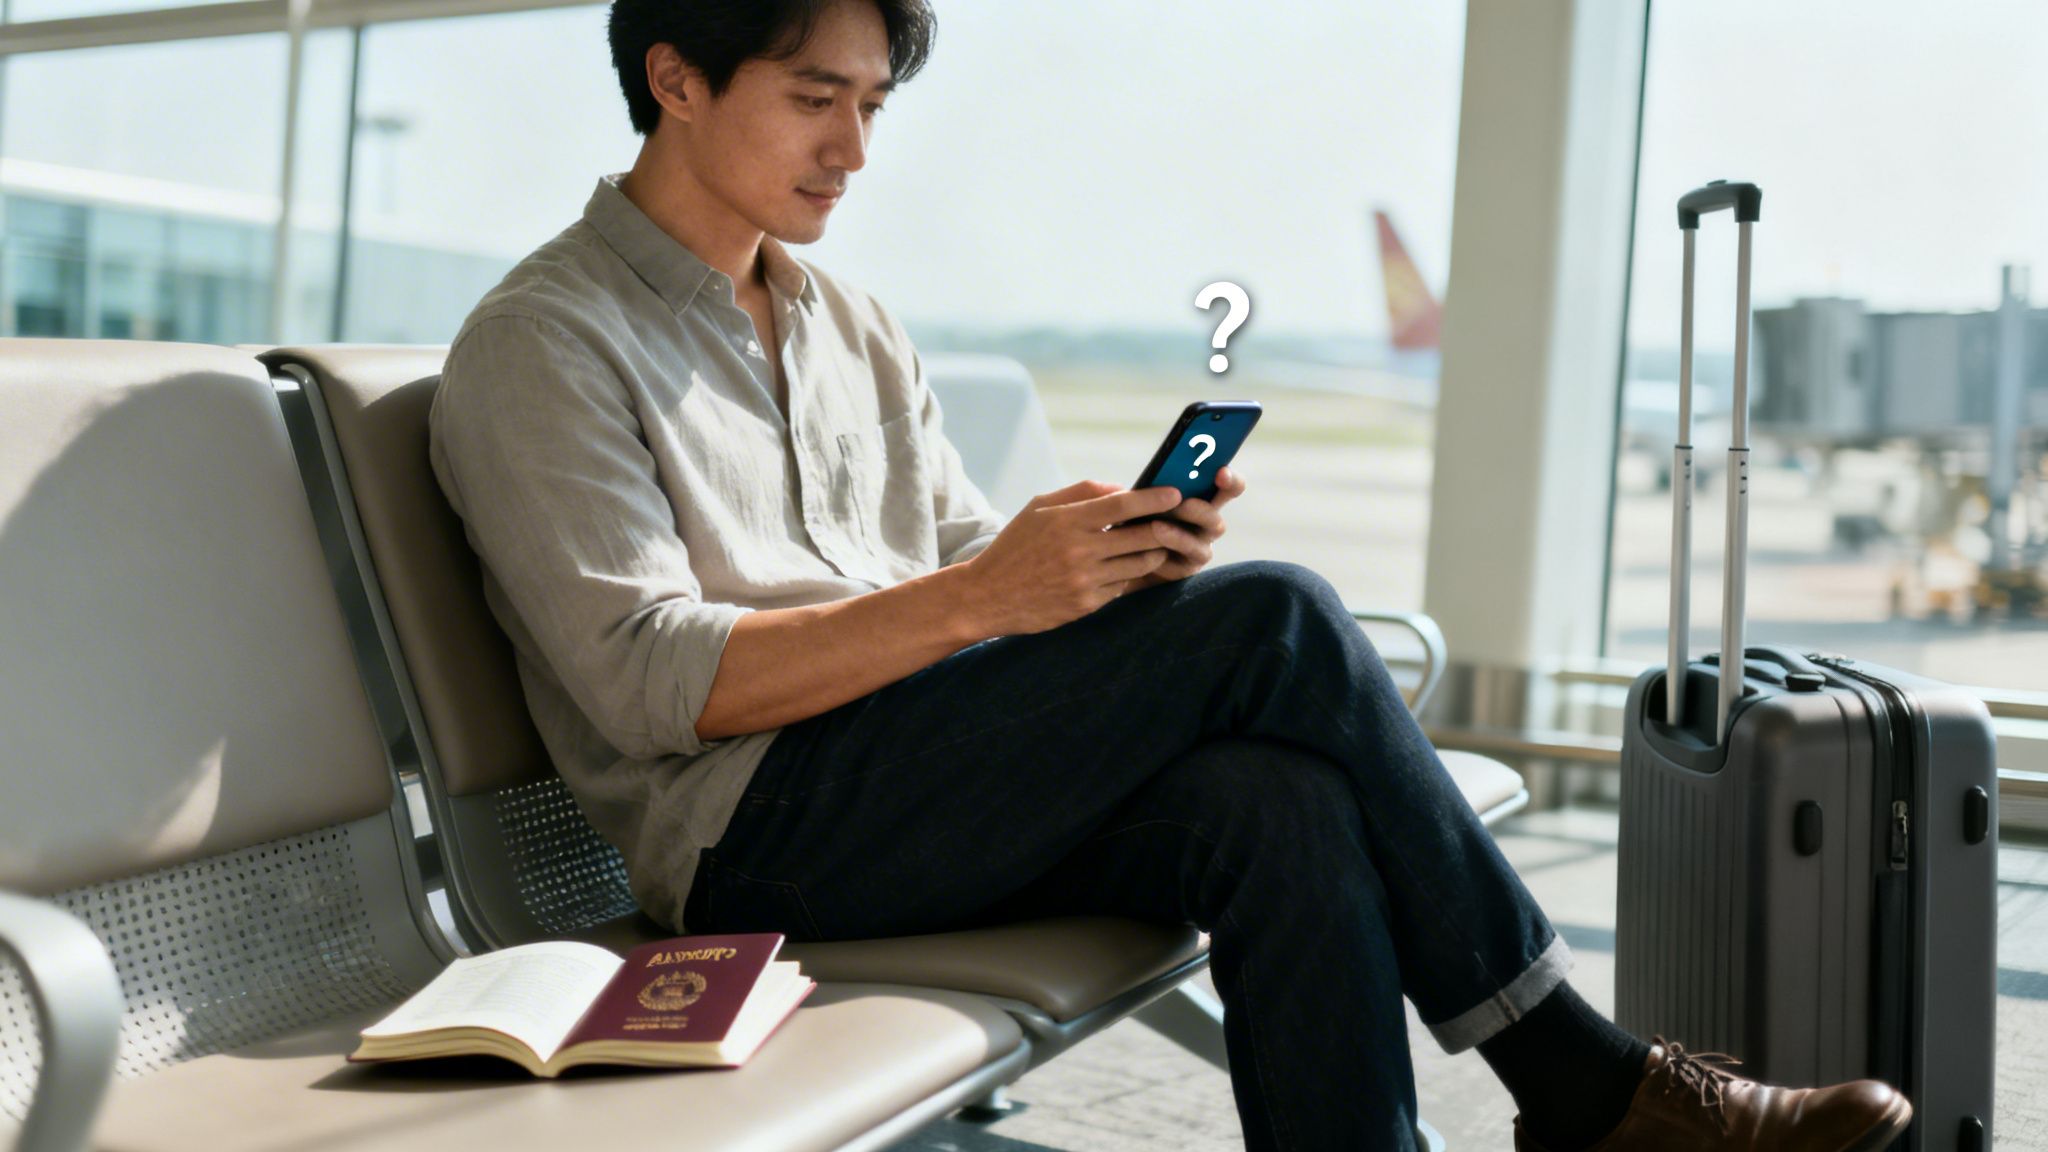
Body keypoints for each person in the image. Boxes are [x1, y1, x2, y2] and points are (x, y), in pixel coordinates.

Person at [427, 2, 1914, 1148]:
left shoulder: (844, 320)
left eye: (873, 104)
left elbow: (946, 553)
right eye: (817, 98)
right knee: (1276, 618)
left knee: (1279, 805)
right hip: (748, 837)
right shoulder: (545, 342)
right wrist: (989, 598)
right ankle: (1582, 1084)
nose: (856, 149)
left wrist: (1088, 563)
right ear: (676, 78)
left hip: (918, 771)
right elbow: (646, 679)